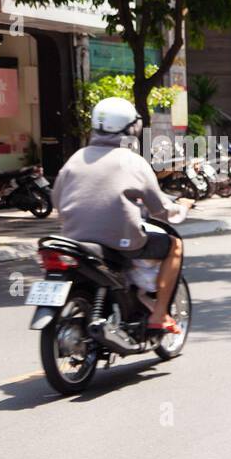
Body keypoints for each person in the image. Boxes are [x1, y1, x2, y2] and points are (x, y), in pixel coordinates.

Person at [50, 97, 189, 333]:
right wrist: (182, 208)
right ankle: (159, 313)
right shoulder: (133, 161)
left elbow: (56, 199)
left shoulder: (76, 158)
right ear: (132, 127)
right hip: (121, 242)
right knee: (174, 245)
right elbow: (160, 210)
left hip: (75, 240)